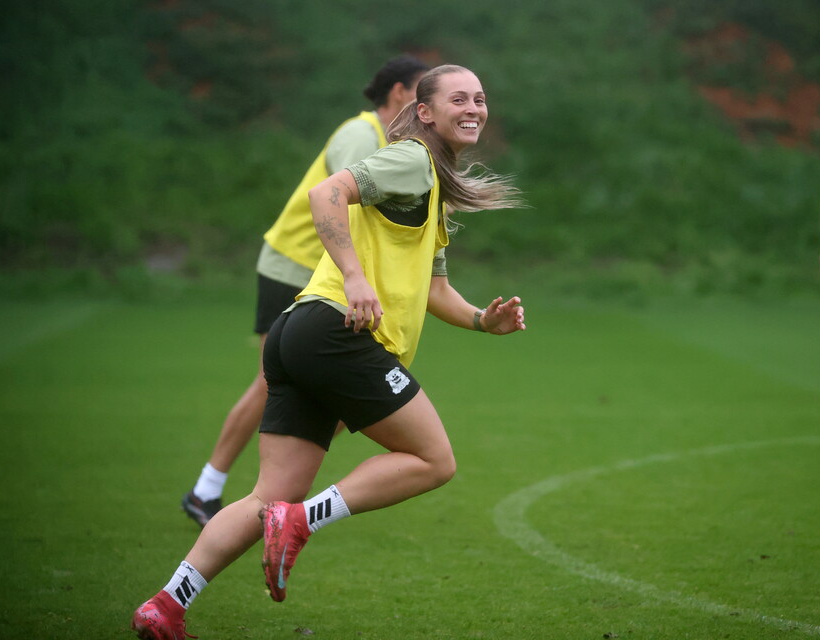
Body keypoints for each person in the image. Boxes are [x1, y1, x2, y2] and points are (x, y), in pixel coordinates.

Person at [132, 64, 526, 639]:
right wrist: (355, 277)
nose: (474, 108)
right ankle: (300, 521)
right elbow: (328, 193)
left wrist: (479, 320)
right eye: (459, 99)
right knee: (434, 461)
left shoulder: (429, 182)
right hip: (338, 330)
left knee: (266, 497)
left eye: (481, 99)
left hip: (302, 332)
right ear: (425, 112)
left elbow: (435, 289)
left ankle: (168, 604)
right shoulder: (412, 159)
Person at [181, 55, 430, 527]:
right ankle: (207, 490)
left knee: (328, 390)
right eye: (424, 91)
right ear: (399, 93)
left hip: (332, 273)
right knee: (272, 383)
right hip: (295, 266)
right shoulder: (362, 135)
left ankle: (277, 495)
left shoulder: (402, 146)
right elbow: (339, 201)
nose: (429, 105)